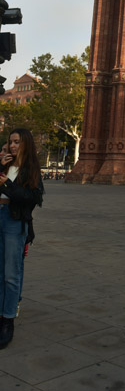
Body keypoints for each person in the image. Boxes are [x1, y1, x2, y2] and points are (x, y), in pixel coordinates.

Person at [0, 128, 44, 348]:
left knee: (11, 273)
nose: (13, 146)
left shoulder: (30, 169)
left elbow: (32, 198)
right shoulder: (5, 166)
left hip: (13, 220)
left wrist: (6, 185)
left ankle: (8, 319)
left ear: (26, 143)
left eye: (17, 142)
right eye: (10, 142)